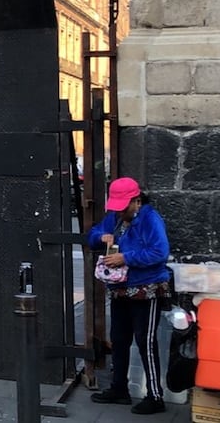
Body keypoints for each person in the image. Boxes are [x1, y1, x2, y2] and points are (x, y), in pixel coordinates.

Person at [87, 177, 171, 415]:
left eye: (124, 206)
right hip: (120, 288)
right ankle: (119, 388)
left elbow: (159, 252)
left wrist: (126, 257)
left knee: (145, 341)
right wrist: (100, 238)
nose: (120, 211)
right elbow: (93, 234)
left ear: (137, 201)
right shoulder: (114, 217)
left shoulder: (150, 219)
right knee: (119, 338)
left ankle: (155, 396)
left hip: (146, 288)